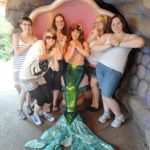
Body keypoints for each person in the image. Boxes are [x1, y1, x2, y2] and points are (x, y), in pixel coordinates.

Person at [25, 23, 115, 150]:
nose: (75, 34)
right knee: (69, 88)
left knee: (72, 88)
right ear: (70, 33)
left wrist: (77, 45)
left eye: (77, 32)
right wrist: (72, 47)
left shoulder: (83, 43)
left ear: (80, 33)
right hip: (69, 70)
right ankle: (70, 116)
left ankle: (70, 116)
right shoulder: (68, 44)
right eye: (73, 32)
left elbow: (86, 54)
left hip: (78, 70)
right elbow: (66, 59)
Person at [91, 14, 145, 128]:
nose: (115, 26)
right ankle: (106, 113)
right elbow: (94, 47)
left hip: (114, 70)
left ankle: (119, 116)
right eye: (113, 24)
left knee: (107, 95)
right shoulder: (108, 36)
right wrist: (109, 45)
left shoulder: (129, 37)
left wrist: (119, 43)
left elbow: (141, 42)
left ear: (122, 24)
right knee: (103, 92)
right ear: (111, 26)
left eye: (118, 23)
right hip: (100, 66)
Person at [19, 28, 59, 125]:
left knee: (49, 98)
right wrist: (51, 54)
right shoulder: (40, 43)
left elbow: (56, 69)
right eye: (49, 37)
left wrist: (55, 55)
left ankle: (43, 112)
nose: (51, 40)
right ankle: (35, 114)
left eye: (54, 38)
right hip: (26, 77)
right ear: (45, 38)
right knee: (41, 98)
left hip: (38, 77)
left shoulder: (50, 51)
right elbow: (39, 57)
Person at [12, 16, 37, 119]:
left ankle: (27, 105)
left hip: (28, 67)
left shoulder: (33, 37)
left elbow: (36, 51)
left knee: (28, 88)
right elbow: (17, 52)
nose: (27, 26)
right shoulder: (16, 35)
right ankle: (19, 109)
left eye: (29, 24)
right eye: (25, 24)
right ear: (21, 25)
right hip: (18, 67)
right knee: (24, 88)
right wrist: (28, 45)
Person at [44, 13, 67, 112]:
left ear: (64, 22)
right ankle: (47, 102)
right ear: (54, 23)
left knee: (57, 82)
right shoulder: (50, 32)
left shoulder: (65, 35)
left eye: (61, 21)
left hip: (60, 61)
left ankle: (54, 103)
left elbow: (62, 53)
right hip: (49, 60)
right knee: (48, 81)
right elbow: (44, 45)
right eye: (57, 21)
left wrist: (62, 43)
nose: (60, 23)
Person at [86, 15, 109, 111]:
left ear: (104, 24)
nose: (97, 24)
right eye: (95, 22)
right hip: (90, 64)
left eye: (100, 22)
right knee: (93, 85)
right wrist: (94, 35)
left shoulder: (107, 35)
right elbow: (86, 44)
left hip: (99, 65)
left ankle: (96, 105)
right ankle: (94, 102)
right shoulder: (92, 32)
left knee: (93, 84)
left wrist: (98, 36)